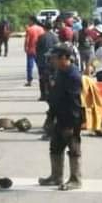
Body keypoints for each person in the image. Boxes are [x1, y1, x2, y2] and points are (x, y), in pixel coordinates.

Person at [39, 45, 84, 191]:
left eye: (54, 58)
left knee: (73, 148)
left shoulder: (73, 76)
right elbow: (55, 96)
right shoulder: (60, 72)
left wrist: (71, 125)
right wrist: (50, 117)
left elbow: (75, 103)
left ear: (64, 58)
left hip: (70, 119)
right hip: (59, 115)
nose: (52, 60)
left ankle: (75, 179)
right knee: (55, 147)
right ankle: (56, 176)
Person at [35, 21, 59, 100]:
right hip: (53, 61)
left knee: (42, 78)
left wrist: (37, 60)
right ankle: (53, 93)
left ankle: (43, 95)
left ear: (44, 28)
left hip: (43, 61)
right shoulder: (55, 37)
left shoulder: (41, 37)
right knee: (54, 77)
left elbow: (37, 49)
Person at [24, 17, 45, 86]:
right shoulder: (41, 29)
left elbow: (27, 40)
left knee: (30, 66)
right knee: (40, 65)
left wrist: (25, 47)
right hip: (39, 50)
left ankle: (29, 80)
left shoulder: (29, 29)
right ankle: (42, 78)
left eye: (29, 21)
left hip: (31, 50)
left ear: (32, 21)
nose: (28, 22)